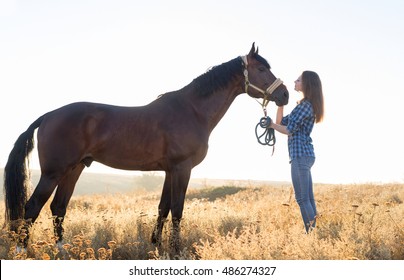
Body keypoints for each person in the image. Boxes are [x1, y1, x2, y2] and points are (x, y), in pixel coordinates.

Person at [269, 70, 324, 233]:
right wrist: (280, 105)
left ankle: (311, 234)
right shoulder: (304, 105)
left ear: (306, 84)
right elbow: (281, 122)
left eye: (298, 80)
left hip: (300, 156)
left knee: (302, 199)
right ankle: (315, 233)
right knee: (308, 198)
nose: (295, 81)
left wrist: (271, 125)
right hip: (304, 155)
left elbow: (288, 129)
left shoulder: (306, 105)